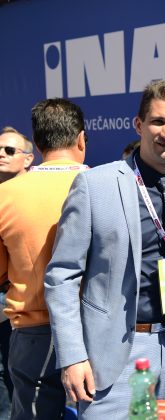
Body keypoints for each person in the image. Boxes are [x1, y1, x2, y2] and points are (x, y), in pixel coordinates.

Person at [44, 80, 165, 419]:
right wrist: (72, 356)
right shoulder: (94, 185)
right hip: (118, 347)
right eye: (158, 121)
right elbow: (61, 277)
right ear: (139, 125)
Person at [0, 99, 88, 419]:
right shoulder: (109, 186)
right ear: (81, 139)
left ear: (36, 146)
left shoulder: (6, 195)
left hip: (34, 334)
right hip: (97, 329)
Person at [0, 126, 34, 419]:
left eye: (9, 150)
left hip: (27, 310)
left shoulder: (36, 195)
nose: (1, 154)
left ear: (28, 159)